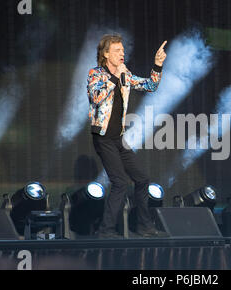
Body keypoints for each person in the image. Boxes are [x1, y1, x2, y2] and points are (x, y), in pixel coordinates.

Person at [87, 34, 167, 238]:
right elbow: (96, 97)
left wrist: (157, 65)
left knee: (142, 178)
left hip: (117, 138)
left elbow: (150, 86)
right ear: (106, 54)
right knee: (120, 182)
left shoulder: (125, 74)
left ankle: (144, 226)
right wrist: (116, 77)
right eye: (117, 50)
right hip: (103, 138)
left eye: (123, 50)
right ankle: (105, 230)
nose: (122, 54)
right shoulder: (96, 74)